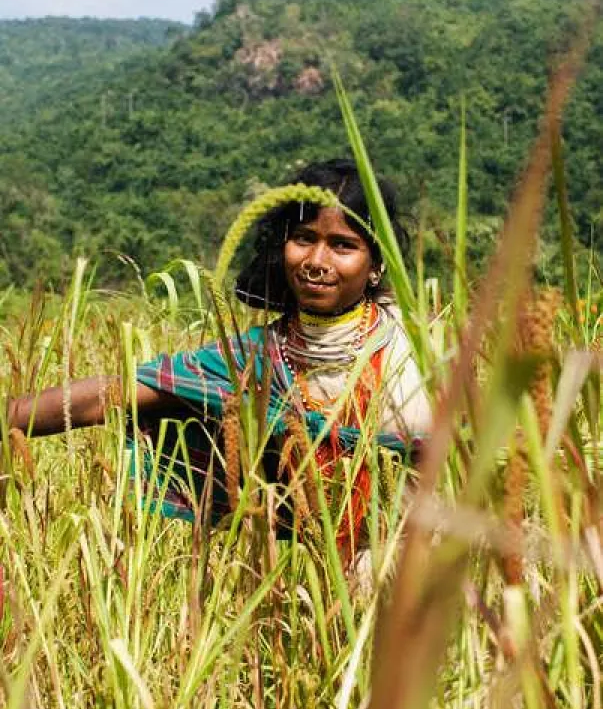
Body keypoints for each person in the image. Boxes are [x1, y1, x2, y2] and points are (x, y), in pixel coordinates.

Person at [5, 158, 431, 565]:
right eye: (304, 238)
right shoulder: (254, 358)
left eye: (343, 245)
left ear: (375, 265)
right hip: (333, 593)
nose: (316, 261)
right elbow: (108, 396)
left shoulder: (416, 353)